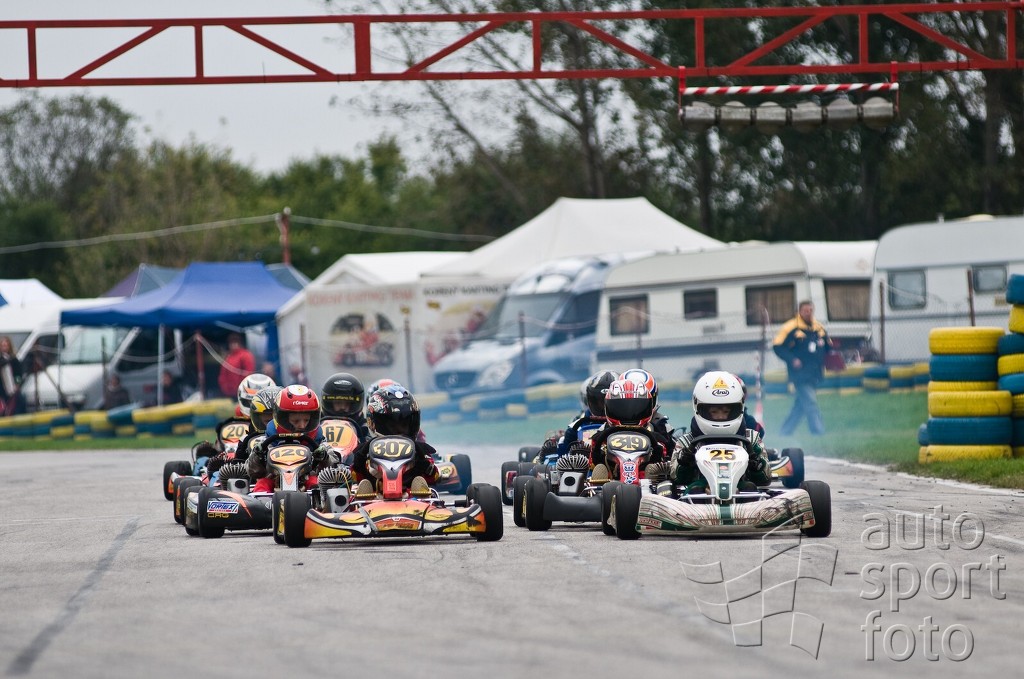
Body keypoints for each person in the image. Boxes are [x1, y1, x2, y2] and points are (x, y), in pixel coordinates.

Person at [669, 371, 772, 495]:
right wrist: (684, 463)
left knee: (749, 488)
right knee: (694, 490)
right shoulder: (687, 442)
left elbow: (765, 478)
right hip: (698, 497)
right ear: (699, 408)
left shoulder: (751, 438)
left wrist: (756, 466)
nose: (720, 417)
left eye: (726, 411)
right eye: (714, 411)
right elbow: (676, 478)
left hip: (741, 492)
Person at [351, 383, 439, 498]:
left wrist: (426, 466)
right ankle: (366, 494)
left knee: (421, 484)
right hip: (374, 497)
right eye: (392, 425)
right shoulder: (365, 450)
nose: (398, 431)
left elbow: (434, 476)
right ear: (374, 422)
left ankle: (420, 494)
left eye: (404, 425)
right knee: (361, 486)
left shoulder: (419, 449)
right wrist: (361, 465)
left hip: (411, 495)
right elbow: (354, 474)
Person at [587, 369, 673, 479]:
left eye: (636, 407)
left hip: (647, 481)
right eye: (622, 407)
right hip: (610, 480)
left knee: (655, 470)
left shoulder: (658, 437)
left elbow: (669, 459)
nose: (629, 413)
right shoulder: (601, 436)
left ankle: (652, 477)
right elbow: (592, 461)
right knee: (599, 468)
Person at [248, 384, 333, 493]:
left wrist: (324, 458)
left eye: (306, 420)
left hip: (307, 480)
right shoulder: (267, 440)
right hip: (275, 482)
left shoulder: (318, 440)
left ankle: (318, 501)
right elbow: (251, 471)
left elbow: (333, 465)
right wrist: (257, 456)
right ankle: (261, 503)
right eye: (296, 421)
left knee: (316, 483)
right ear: (283, 418)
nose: (302, 426)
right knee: (262, 484)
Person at [773, 300, 831, 436]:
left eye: (810, 310)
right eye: (805, 311)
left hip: (815, 373)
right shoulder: (790, 327)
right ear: (799, 311)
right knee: (811, 403)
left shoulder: (818, 327)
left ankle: (784, 432)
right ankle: (818, 432)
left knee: (800, 407)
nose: (808, 313)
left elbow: (828, 346)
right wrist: (792, 359)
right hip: (799, 374)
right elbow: (777, 347)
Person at [543, 370, 616, 460]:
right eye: (601, 402)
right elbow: (562, 458)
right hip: (588, 464)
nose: (604, 407)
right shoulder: (576, 426)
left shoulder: (627, 424)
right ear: (591, 400)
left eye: (608, 402)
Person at [320, 372, 370, 442]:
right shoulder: (316, 426)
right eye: (338, 403)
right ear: (329, 403)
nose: (342, 407)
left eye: (347, 403)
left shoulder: (365, 429)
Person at [218, 333, 256, 399]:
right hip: (229, 393)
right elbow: (223, 375)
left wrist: (243, 389)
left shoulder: (245, 355)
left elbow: (248, 373)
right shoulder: (228, 357)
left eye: (235, 342)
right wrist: (225, 388)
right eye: (231, 342)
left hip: (243, 392)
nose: (233, 344)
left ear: (240, 343)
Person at [0, 335, 25, 416]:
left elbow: (19, 374)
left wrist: (17, 384)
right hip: (2, 389)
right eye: (2, 346)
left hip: (13, 388)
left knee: (20, 402)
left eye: (6, 345)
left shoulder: (14, 360)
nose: (4, 347)